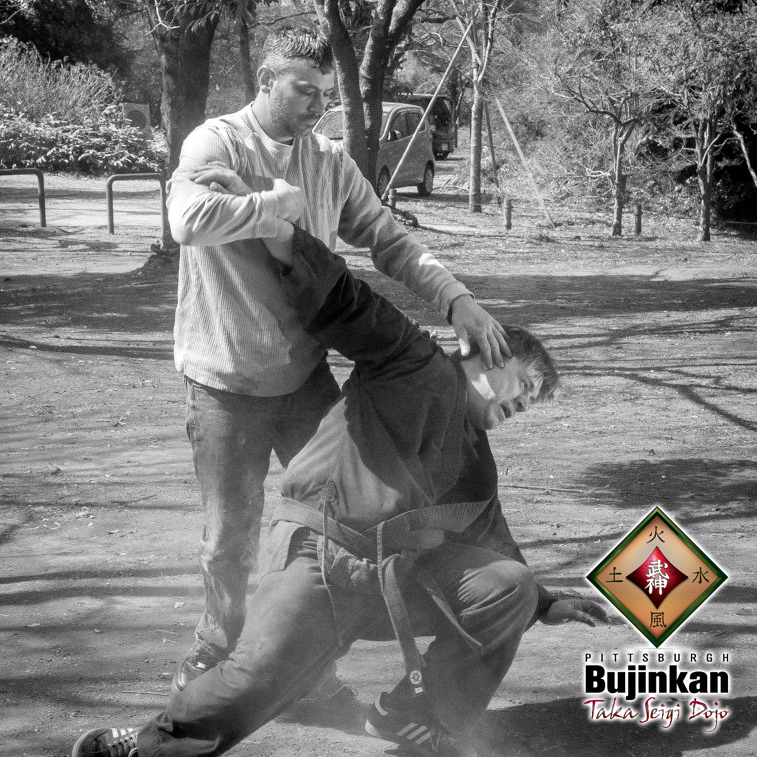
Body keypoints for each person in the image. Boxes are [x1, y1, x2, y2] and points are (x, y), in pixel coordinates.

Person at [72, 224, 608, 757]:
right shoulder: (410, 359)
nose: (524, 404)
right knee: (256, 676)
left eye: (533, 401)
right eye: (525, 385)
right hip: (319, 557)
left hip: (392, 579)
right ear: (488, 351)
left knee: (509, 584)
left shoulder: (477, 463)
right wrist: (282, 236)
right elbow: (345, 300)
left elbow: (495, 542)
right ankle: (144, 747)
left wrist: (544, 603)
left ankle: (415, 716)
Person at [165, 23, 511, 700]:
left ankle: (310, 660)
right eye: (303, 91)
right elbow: (185, 220)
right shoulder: (216, 142)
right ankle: (215, 647)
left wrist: (457, 299)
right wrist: (272, 207)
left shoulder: (327, 160)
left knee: (342, 526)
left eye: (325, 94)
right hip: (224, 380)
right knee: (230, 537)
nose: (316, 105)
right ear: (266, 82)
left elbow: (389, 239)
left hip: (304, 378)